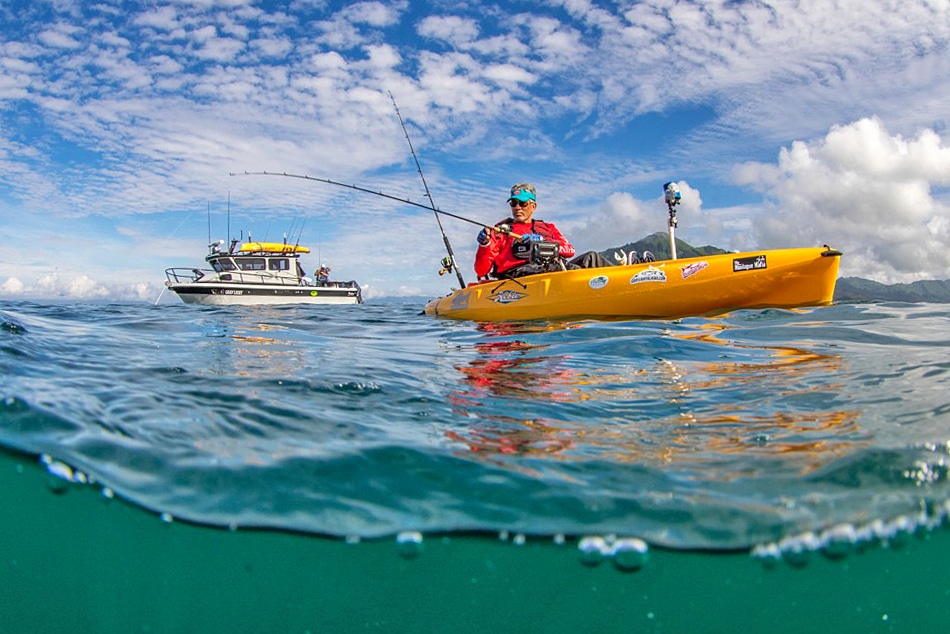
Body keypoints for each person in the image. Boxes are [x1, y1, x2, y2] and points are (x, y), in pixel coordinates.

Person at [474, 182, 614, 280]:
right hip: (517, 276)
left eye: (523, 203)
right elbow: (481, 270)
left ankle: (628, 278)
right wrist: (485, 245)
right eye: (513, 203)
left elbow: (570, 250)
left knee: (592, 257)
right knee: (568, 270)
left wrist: (543, 243)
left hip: (551, 268)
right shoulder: (499, 231)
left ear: (533, 206)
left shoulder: (548, 228)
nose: (517, 207)